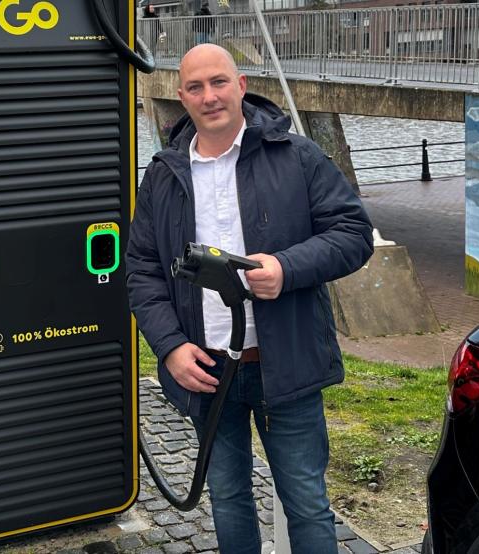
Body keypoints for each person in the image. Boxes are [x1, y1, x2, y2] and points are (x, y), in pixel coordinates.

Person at [126, 44, 373, 554]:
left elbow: (353, 233)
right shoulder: (164, 174)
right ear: (181, 98)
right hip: (207, 368)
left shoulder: (297, 155)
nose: (209, 96)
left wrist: (287, 268)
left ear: (241, 86)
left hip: (288, 363)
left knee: (306, 501)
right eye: (195, 87)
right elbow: (143, 270)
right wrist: (170, 347)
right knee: (228, 496)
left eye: (219, 82)